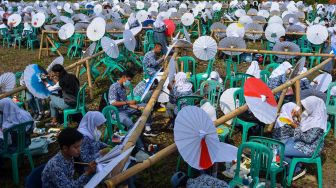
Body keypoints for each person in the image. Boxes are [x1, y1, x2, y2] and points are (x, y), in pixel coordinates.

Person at [284, 96, 327, 180]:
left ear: (313, 106)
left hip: (310, 148)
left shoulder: (317, 122)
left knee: (281, 150)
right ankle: (296, 165)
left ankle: (297, 170)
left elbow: (308, 139)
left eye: (307, 107)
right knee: (283, 143)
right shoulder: (312, 115)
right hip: (305, 144)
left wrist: (296, 127)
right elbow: (303, 126)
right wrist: (295, 119)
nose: (305, 109)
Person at [108, 71, 156, 137]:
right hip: (117, 112)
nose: (129, 82)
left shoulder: (122, 88)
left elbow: (126, 103)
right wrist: (128, 102)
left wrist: (137, 107)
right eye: (129, 80)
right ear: (124, 77)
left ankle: (148, 129)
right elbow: (113, 103)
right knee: (129, 122)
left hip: (126, 108)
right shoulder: (114, 87)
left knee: (146, 107)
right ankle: (130, 139)